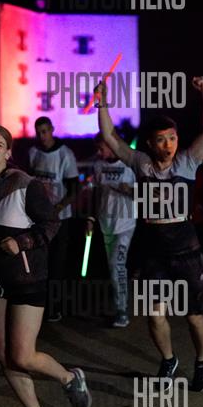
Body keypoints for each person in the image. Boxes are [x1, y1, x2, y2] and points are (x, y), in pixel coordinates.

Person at [0, 124, 91, 407]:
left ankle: (69, 379)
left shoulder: (25, 184)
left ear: (8, 152)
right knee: (3, 354)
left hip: (26, 278)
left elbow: (51, 223)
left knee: (22, 355)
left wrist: (22, 243)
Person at [96, 75, 203, 392]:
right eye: (161, 140)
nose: (168, 145)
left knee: (192, 315)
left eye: (172, 138)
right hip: (154, 255)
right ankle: (168, 360)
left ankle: (202, 361)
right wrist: (102, 102)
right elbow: (109, 136)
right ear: (150, 143)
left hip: (186, 252)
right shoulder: (141, 164)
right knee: (154, 314)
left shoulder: (187, 162)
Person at [28, 117, 79, 322]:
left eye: (45, 131)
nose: (42, 136)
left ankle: (56, 307)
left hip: (60, 220)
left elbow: (74, 189)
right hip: (39, 218)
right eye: (38, 132)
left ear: (52, 130)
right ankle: (40, 306)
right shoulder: (33, 153)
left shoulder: (65, 154)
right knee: (41, 263)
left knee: (57, 265)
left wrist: (58, 208)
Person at [85, 133, 136, 327]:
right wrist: (91, 218)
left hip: (126, 224)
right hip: (106, 224)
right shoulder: (98, 166)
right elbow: (95, 193)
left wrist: (129, 190)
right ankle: (118, 304)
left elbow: (147, 193)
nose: (99, 152)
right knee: (113, 266)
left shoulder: (130, 165)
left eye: (101, 148)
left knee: (117, 265)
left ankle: (122, 310)